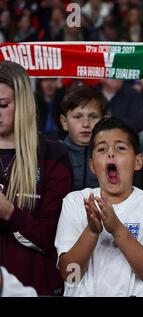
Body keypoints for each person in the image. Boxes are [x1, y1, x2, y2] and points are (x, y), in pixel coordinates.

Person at [55, 117, 143, 296]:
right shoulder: (75, 202)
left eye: (120, 148)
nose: (111, 153)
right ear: (92, 165)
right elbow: (70, 275)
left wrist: (118, 229)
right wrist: (92, 231)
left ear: (138, 161)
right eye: (102, 149)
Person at [0, 61, 73, 296]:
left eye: (3, 105)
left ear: (23, 105)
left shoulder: (53, 154)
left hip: (33, 286)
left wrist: (9, 212)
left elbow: (51, 239)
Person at [60, 86, 106, 191]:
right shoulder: (55, 154)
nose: (86, 124)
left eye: (93, 117)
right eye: (77, 117)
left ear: (103, 121)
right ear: (64, 122)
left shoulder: (113, 152)